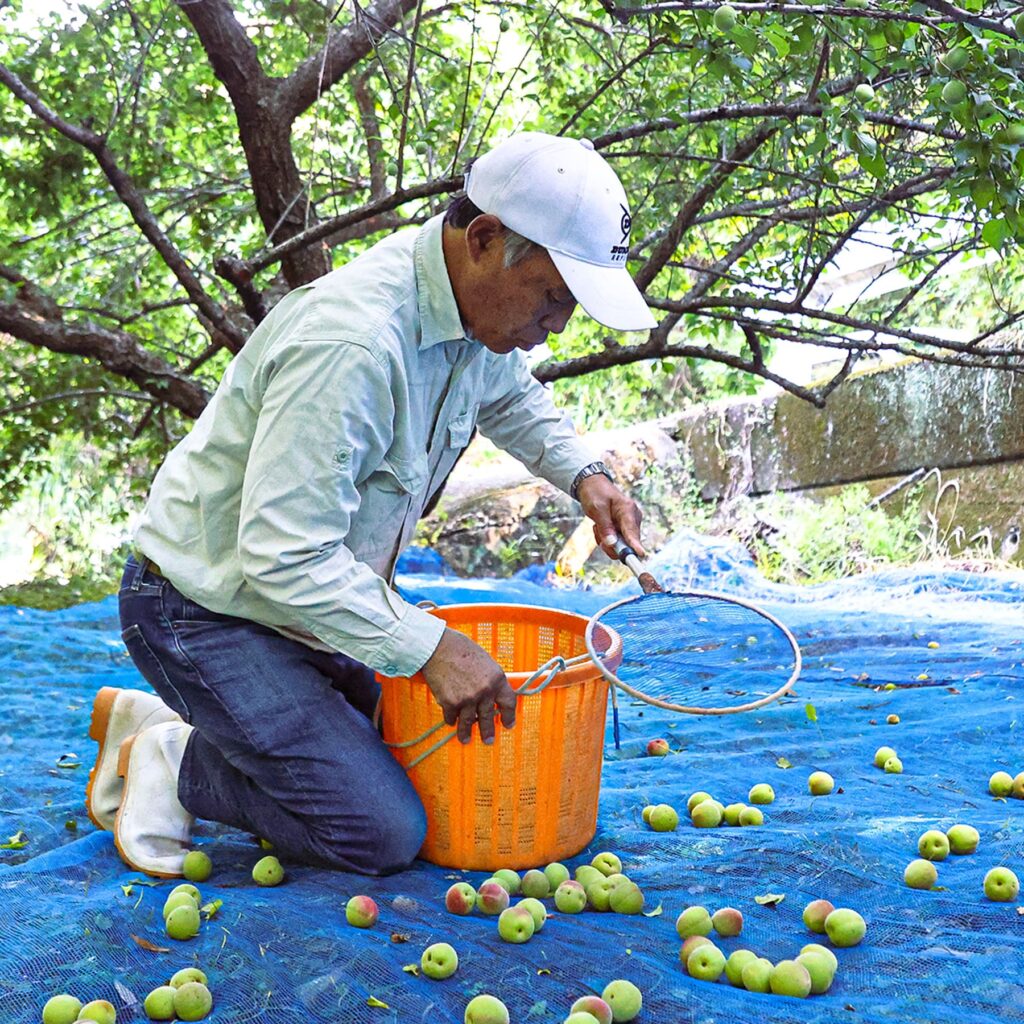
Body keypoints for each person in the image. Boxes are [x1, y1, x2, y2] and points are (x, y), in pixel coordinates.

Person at [86, 131, 657, 879]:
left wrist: (589, 475)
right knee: (378, 828)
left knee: (420, 761)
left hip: (303, 608)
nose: (558, 325)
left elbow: (510, 394)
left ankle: (195, 726)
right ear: (484, 239)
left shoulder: (468, 321)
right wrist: (432, 647)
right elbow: (283, 555)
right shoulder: (353, 344)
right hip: (204, 610)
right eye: (554, 297)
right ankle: (169, 756)